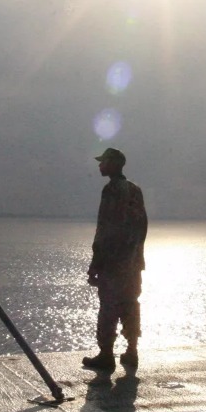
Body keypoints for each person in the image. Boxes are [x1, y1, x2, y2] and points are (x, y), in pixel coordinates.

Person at [83, 147, 148, 372]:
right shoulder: (135, 190)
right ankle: (132, 351)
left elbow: (105, 228)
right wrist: (136, 255)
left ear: (115, 164)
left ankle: (106, 355)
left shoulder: (111, 190)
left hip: (113, 263)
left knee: (108, 308)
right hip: (133, 262)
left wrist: (96, 263)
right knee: (131, 305)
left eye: (104, 162)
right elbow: (142, 226)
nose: (100, 166)